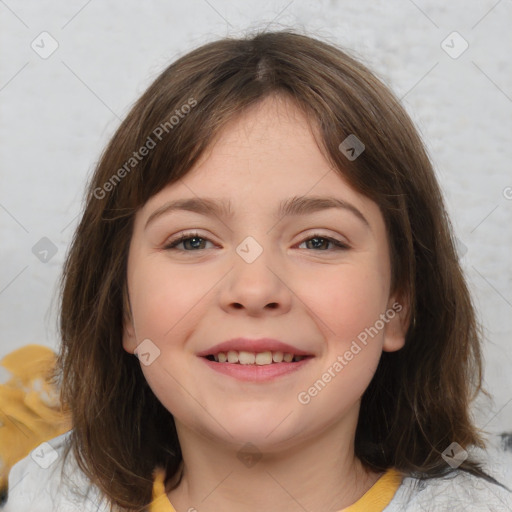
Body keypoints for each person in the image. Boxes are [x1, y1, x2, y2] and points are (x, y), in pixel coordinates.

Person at [4, 29, 512, 512]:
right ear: (124, 309)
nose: (254, 288)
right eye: (193, 240)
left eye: (319, 241)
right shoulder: (44, 498)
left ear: (398, 305)